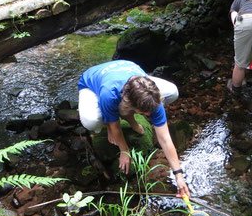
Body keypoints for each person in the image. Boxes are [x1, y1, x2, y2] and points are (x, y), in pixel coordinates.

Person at [78, 60, 190, 197]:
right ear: (129, 104)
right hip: (92, 82)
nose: (149, 115)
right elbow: (116, 127)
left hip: (127, 74)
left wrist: (179, 175)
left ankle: (126, 117)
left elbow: (165, 139)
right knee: (92, 122)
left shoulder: (153, 97)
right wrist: (124, 151)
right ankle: (112, 118)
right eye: (144, 113)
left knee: (172, 92)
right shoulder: (109, 94)